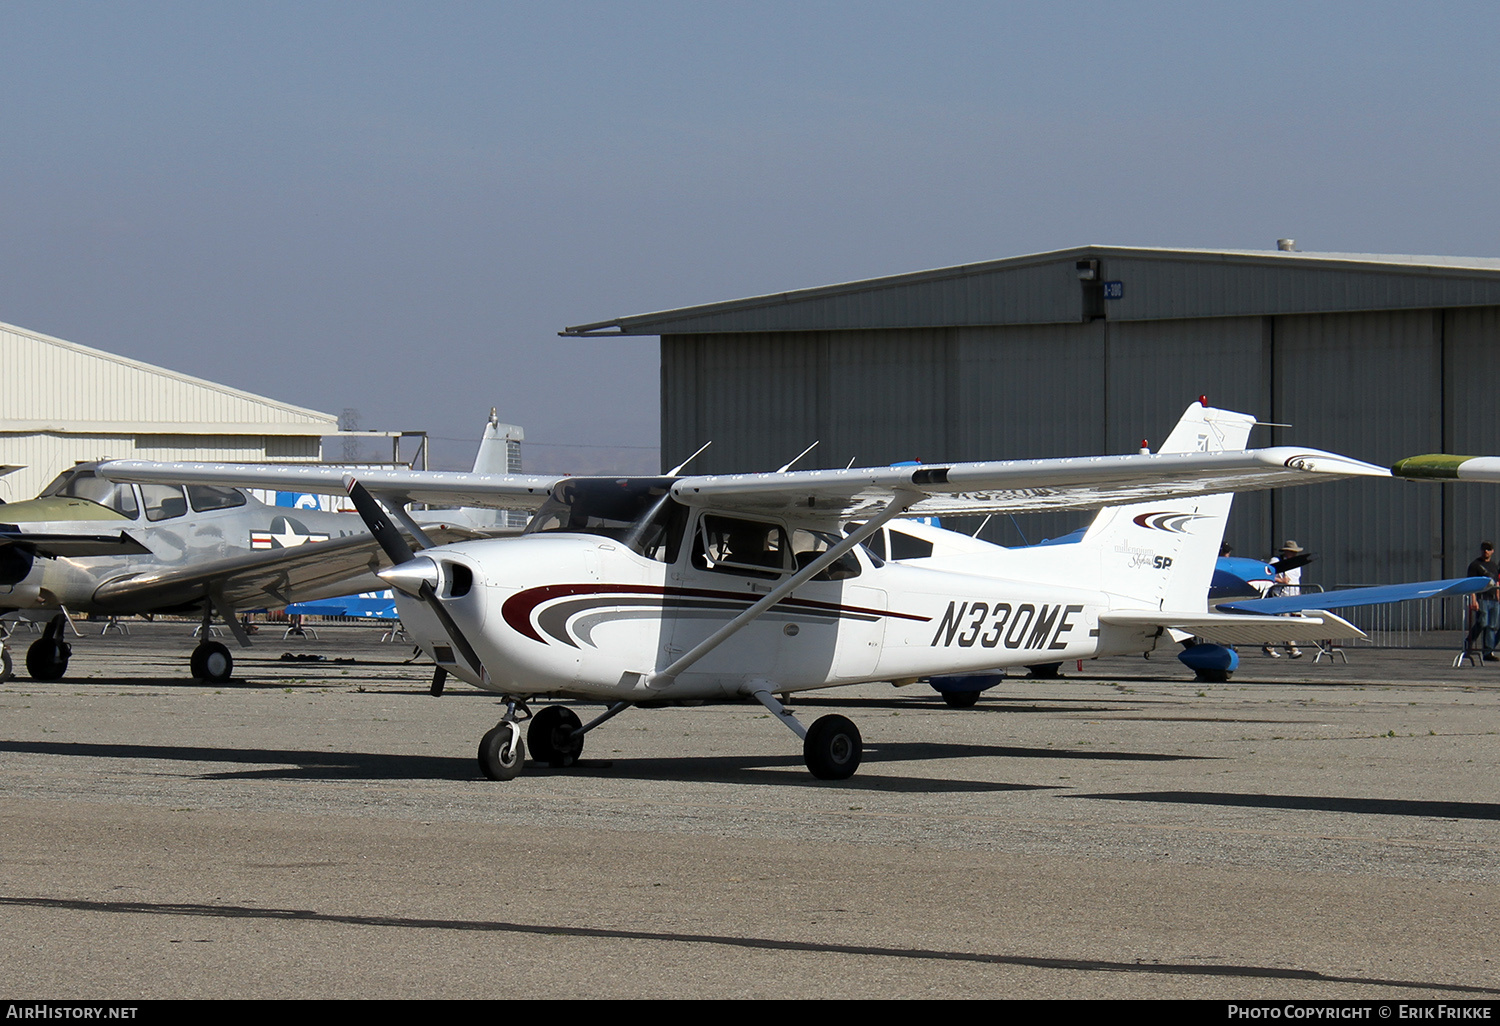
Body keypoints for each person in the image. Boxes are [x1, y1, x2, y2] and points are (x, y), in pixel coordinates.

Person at [1263, 539, 1305, 658]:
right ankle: (1292, 649)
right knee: (1285, 622)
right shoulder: (1276, 561)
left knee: (1283, 624)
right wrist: (1281, 580)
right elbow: (1266, 573)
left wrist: (1298, 593)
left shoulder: (1297, 564)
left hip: (1293, 596)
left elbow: (1296, 580)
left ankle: (1269, 646)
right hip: (1280, 596)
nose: (1294, 554)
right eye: (1292, 552)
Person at [1466, 542, 1500, 662]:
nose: (1486, 551)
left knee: (1492, 626)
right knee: (1482, 622)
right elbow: (1471, 584)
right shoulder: (1475, 565)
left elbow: (1496, 583)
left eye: (1488, 549)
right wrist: (1473, 599)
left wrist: (1498, 597)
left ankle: (1488, 652)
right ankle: (1468, 642)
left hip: (1493, 600)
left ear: (1492, 551)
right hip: (1482, 598)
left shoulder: (1494, 566)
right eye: (1484, 549)